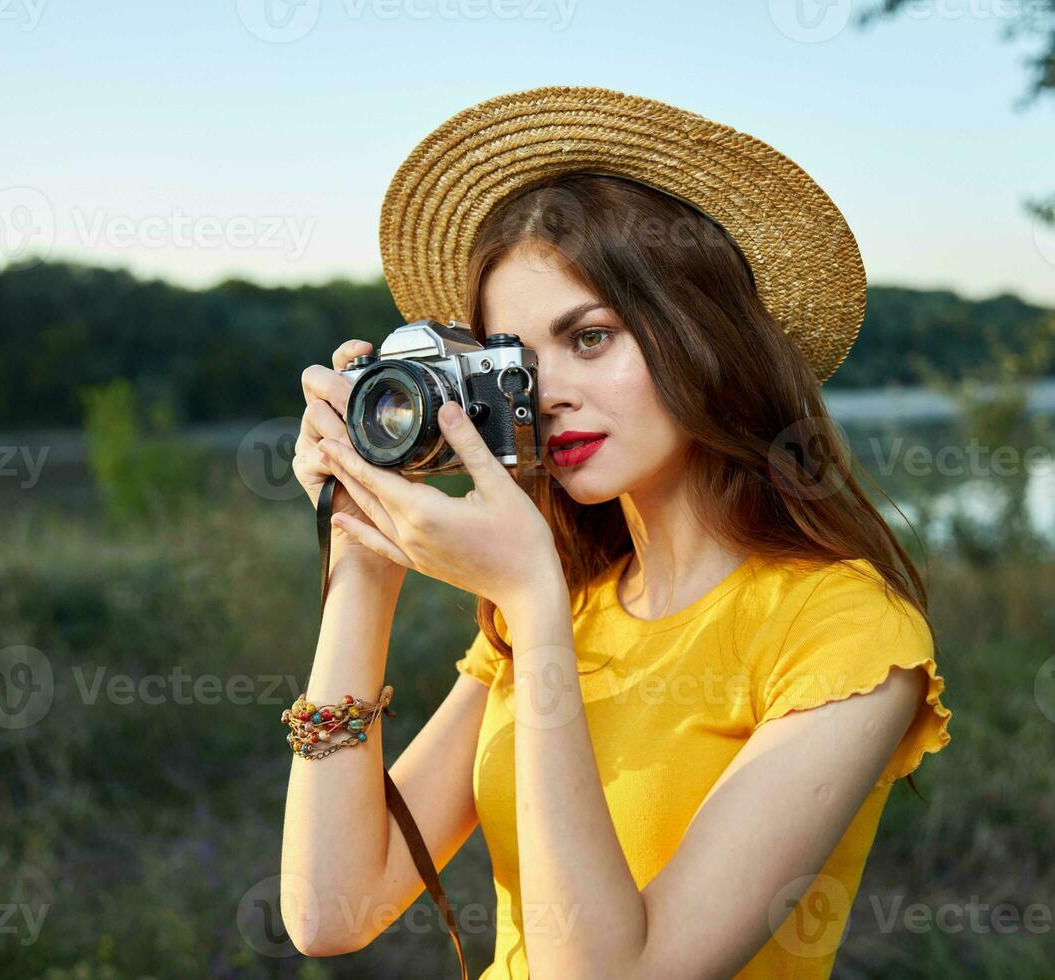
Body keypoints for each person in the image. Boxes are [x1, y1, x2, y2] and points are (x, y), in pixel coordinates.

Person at [280, 86, 952, 979]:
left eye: (590, 338)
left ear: (702, 337)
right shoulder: (570, 602)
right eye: (514, 359)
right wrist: (363, 567)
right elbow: (333, 910)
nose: (544, 393)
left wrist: (531, 598)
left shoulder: (845, 637)